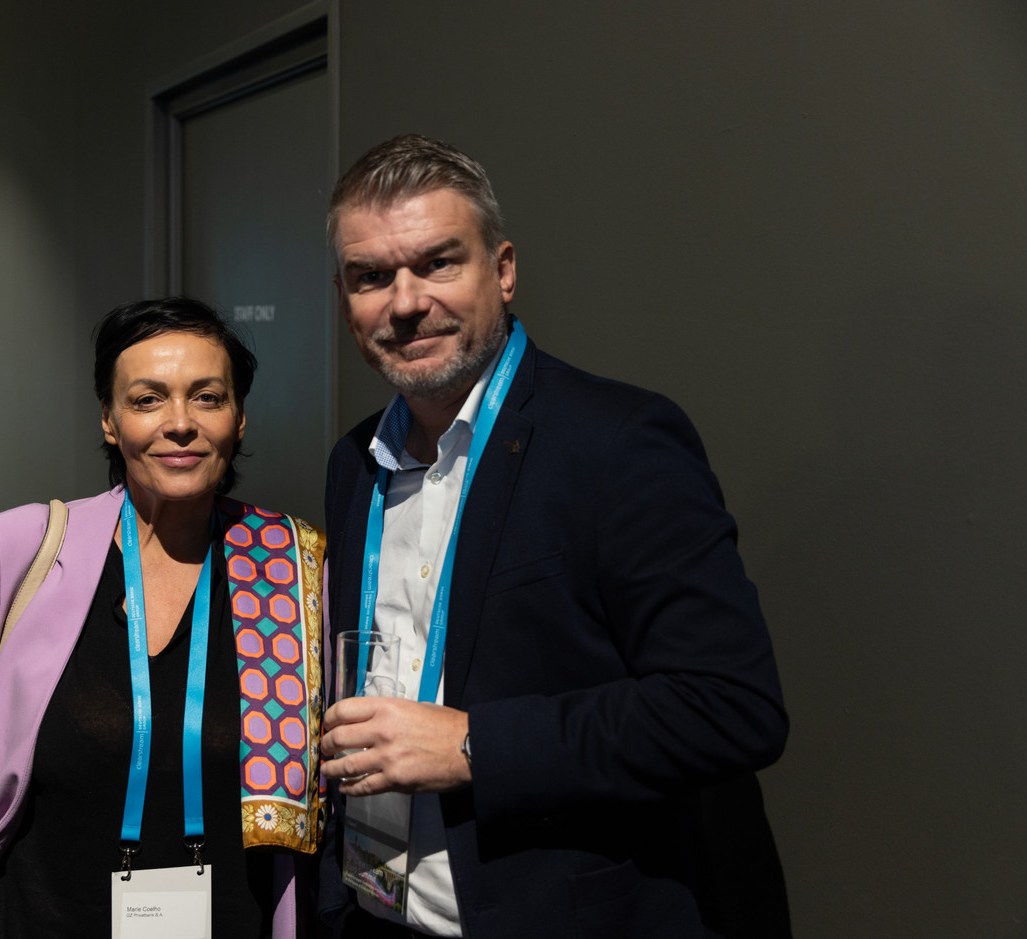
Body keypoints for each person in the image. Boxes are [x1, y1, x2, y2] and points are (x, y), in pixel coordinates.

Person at [317, 134, 790, 938]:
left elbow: (731, 708)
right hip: (382, 912)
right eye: (373, 277)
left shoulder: (617, 442)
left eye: (437, 262)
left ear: (502, 270)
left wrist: (474, 744)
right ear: (345, 298)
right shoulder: (353, 463)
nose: (404, 302)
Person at [0, 297, 326, 938]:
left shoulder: (288, 566)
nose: (180, 423)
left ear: (240, 419)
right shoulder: (24, 549)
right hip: (37, 920)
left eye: (207, 397)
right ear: (110, 422)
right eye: (148, 400)